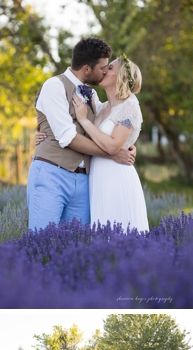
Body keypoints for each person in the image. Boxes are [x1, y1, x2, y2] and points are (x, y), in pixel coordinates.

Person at [24, 37, 136, 231]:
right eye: (102, 68)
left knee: (77, 243)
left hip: (85, 182)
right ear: (86, 69)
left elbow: (109, 126)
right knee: (42, 239)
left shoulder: (92, 95)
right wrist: (113, 154)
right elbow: (68, 137)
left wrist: (127, 145)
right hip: (52, 174)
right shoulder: (54, 86)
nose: (105, 71)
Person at [70, 55, 148, 231]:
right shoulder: (100, 107)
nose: (104, 70)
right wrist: (41, 133)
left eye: (110, 68)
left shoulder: (130, 105)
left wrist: (84, 120)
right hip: (97, 179)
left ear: (122, 77)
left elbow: (113, 146)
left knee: (120, 233)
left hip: (117, 178)